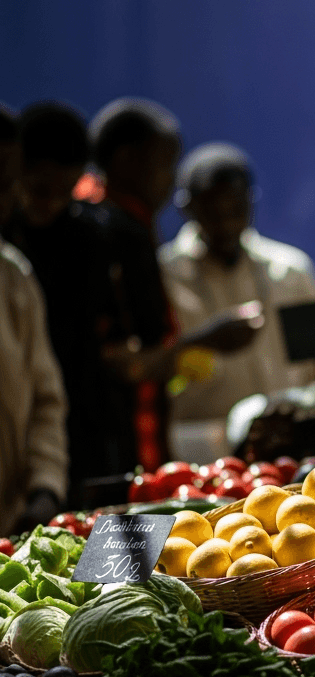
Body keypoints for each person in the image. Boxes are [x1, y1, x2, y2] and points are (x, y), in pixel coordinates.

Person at [83, 101, 256, 470]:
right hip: (109, 442)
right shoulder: (113, 232)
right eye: (165, 163)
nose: (169, 178)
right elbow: (121, 365)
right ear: (127, 159)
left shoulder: (121, 223)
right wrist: (208, 340)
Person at [5, 103, 133, 501]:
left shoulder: (91, 239)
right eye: (41, 191)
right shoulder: (11, 251)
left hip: (84, 431)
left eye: (66, 191)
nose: (53, 203)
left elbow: (52, 389)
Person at [159, 142, 315, 422]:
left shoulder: (291, 272)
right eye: (212, 213)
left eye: (236, 211)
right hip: (200, 447)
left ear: (251, 201)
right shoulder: (164, 276)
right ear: (187, 208)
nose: (226, 225)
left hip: (290, 437)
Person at [0, 106, 68, 533]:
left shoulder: (13, 276)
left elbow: (46, 399)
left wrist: (45, 486)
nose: (4, 199)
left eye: (7, 185)